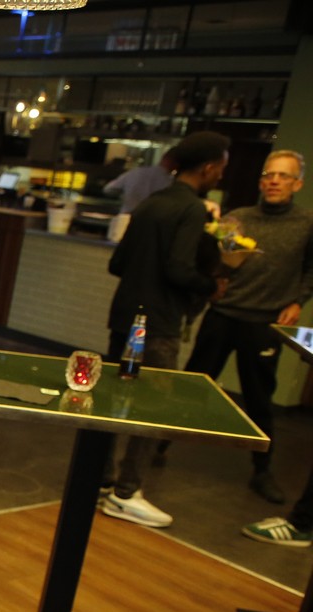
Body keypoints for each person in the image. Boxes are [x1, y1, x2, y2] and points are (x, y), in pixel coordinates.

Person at [100, 131, 230, 529]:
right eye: (220, 169)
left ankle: (101, 479)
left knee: (113, 401)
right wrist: (211, 285)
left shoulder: (151, 202)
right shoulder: (191, 209)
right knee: (154, 406)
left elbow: (117, 264)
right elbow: (178, 269)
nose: (220, 176)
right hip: (158, 323)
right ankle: (126, 492)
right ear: (209, 168)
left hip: (125, 316)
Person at [180, 150, 312, 505]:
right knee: (192, 383)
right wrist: (216, 274)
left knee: (259, 399)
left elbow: (310, 269)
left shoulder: (307, 223)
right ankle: (155, 448)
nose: (274, 181)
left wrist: (298, 301)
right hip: (223, 315)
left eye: (283, 176)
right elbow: (213, 260)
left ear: (297, 184)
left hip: (263, 323)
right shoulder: (237, 219)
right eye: (268, 174)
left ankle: (262, 471)